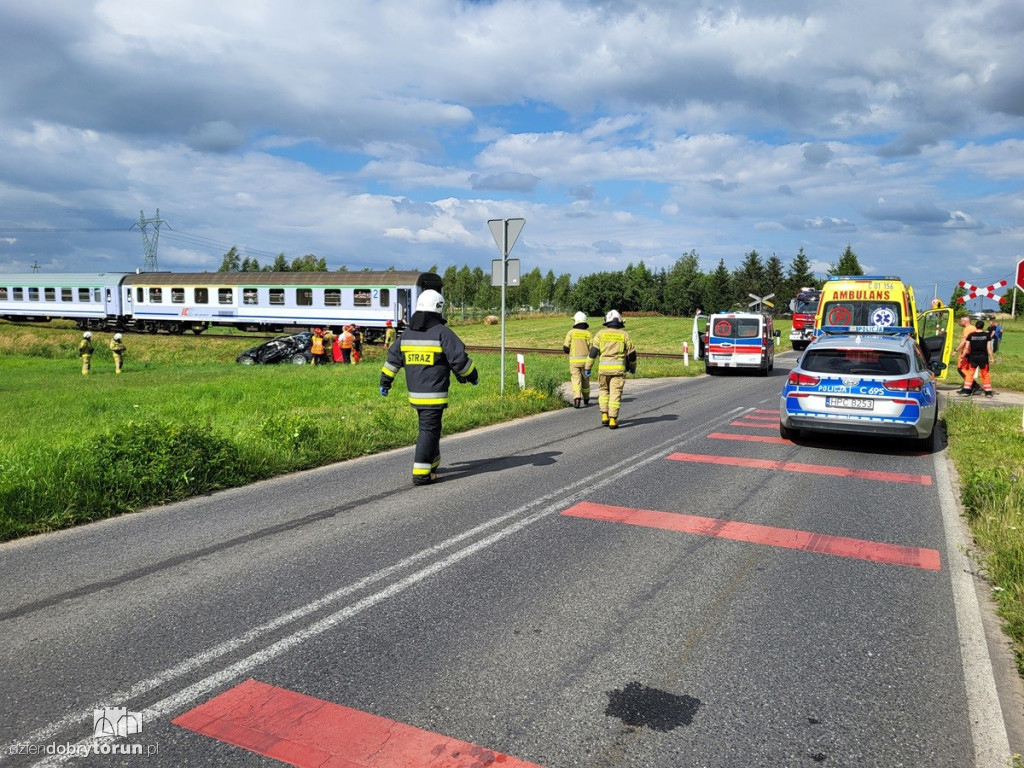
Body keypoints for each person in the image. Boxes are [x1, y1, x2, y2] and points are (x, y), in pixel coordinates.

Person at [379, 289, 478, 486]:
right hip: (434, 394)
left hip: (415, 395)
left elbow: (393, 360)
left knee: (431, 428)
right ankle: (421, 473)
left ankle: (433, 463)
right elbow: (460, 361)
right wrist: (472, 376)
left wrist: (385, 382)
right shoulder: (442, 333)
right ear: (439, 309)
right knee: (429, 430)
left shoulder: (407, 334)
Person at [584, 310, 637, 429]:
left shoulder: (600, 334)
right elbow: (632, 354)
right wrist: (633, 367)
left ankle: (604, 416)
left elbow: (593, 353)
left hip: (603, 370)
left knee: (603, 391)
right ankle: (613, 419)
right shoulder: (624, 335)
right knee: (615, 394)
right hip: (617, 371)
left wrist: (588, 367)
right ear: (619, 322)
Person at [563, 311, 592, 408]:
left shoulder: (571, 333)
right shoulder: (588, 334)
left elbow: (566, 348)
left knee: (576, 380)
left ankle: (577, 399)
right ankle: (586, 399)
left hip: (574, 362)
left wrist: (570, 352)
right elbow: (592, 349)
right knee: (585, 380)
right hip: (586, 362)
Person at [960, 319, 994, 397]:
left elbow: (966, 347)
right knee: (985, 374)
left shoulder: (971, 335)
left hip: (973, 357)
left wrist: (962, 357)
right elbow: (989, 348)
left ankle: (966, 390)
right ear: (983, 326)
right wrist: (992, 357)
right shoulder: (986, 335)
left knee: (970, 374)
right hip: (983, 357)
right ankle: (988, 392)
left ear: (976, 326)